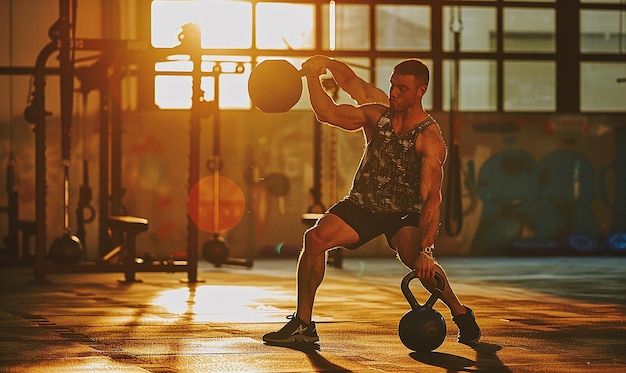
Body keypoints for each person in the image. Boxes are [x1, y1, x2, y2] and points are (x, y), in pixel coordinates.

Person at [262, 56, 481, 345]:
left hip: (403, 212)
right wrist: (319, 69)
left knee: (417, 261)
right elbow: (333, 106)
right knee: (315, 239)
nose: (393, 93)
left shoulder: (429, 138)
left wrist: (426, 249)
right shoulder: (378, 114)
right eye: (392, 86)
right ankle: (303, 324)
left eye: (402, 88)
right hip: (364, 204)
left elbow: (431, 199)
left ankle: (460, 313)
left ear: (420, 91)